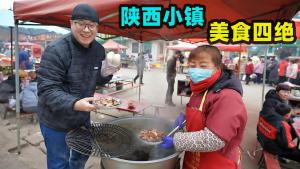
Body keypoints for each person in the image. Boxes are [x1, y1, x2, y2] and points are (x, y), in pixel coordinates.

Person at [37, 4, 115, 169]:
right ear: (71, 23)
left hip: (81, 118)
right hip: (55, 120)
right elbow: (47, 90)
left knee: (82, 154)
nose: (86, 30)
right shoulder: (56, 50)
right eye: (81, 23)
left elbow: (98, 81)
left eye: (91, 25)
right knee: (59, 162)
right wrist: (75, 104)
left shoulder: (99, 50)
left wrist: (108, 72)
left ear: (97, 28)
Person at [161, 45, 247, 169]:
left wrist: (176, 140)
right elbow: (202, 115)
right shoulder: (200, 88)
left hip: (216, 163)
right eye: (192, 65)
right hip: (193, 159)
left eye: (203, 66)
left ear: (217, 68)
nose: (196, 69)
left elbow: (213, 139)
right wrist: (186, 120)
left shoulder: (228, 97)